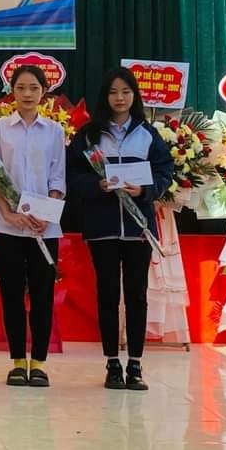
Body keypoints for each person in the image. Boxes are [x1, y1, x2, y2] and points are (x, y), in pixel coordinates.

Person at [66, 67, 173, 391]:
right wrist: (96, 185)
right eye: (113, 92)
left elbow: (165, 171)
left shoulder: (147, 133)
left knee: (137, 295)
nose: (120, 98)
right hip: (103, 226)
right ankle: (112, 362)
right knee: (108, 294)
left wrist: (146, 190)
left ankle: (135, 364)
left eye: (126, 92)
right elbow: (72, 175)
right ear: (105, 97)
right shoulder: (89, 135)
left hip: (139, 226)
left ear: (134, 95)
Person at [0, 65, 65, 388]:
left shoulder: (54, 131)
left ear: (44, 92)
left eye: (34, 88)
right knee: (12, 294)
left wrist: (47, 214)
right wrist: (8, 213)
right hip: (7, 226)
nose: (27, 94)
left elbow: (57, 178)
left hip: (44, 227)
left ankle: (40, 363)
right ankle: (18, 361)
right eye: (21, 88)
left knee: (43, 295)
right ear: (12, 92)